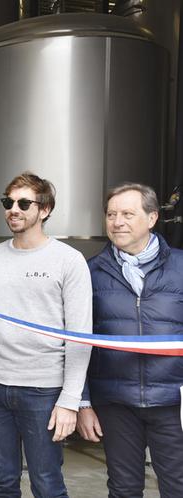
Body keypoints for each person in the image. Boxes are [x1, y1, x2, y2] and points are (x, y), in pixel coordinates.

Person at [0, 173, 93, 498]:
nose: (13, 209)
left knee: (47, 483)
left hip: (43, 391)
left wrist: (70, 400)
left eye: (23, 203)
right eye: (8, 203)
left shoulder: (69, 261)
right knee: (1, 480)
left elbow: (80, 336)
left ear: (44, 209)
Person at [77, 183, 183, 498]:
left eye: (127, 214)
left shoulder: (180, 267)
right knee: (123, 489)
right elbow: (77, 341)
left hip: (172, 402)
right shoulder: (90, 272)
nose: (117, 221)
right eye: (111, 214)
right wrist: (83, 402)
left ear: (152, 218)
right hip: (115, 401)